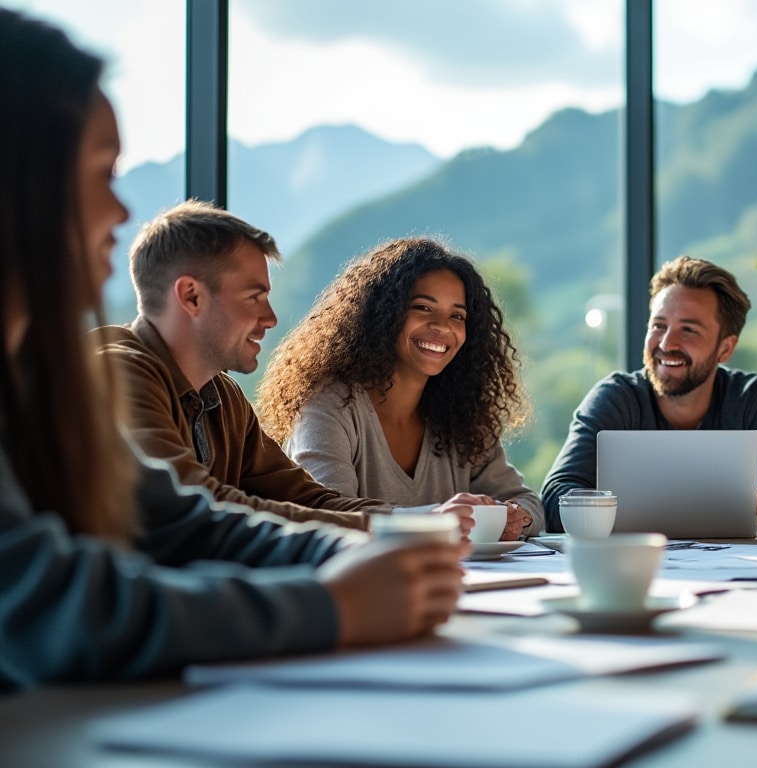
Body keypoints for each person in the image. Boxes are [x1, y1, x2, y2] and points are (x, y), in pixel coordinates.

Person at [0, 8, 465, 690]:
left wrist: (389, 546)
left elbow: (191, 525)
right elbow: (59, 607)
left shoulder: (49, 382)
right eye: (101, 172)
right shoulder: (116, 373)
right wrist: (331, 604)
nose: (121, 212)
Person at [97, 201, 398, 529]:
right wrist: (388, 528)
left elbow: (304, 498)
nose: (270, 318)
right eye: (254, 297)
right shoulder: (117, 374)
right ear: (191, 296)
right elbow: (198, 507)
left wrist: (415, 520)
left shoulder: (223, 395)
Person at [257, 237, 542, 541]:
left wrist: (514, 517)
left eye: (457, 316)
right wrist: (432, 520)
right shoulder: (328, 406)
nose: (443, 327)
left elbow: (530, 505)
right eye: (422, 307)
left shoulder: (463, 418)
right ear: (383, 313)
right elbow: (327, 515)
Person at [541, 256, 757, 533]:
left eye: (689, 330)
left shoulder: (755, 397)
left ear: (725, 348)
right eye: (659, 325)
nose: (666, 343)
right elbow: (556, 495)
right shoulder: (615, 397)